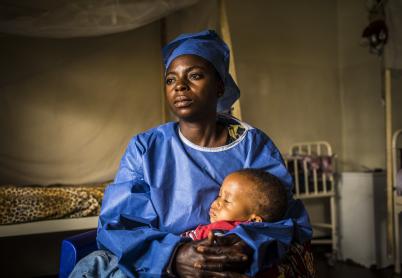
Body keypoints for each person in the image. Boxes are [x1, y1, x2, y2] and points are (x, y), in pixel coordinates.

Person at [70, 29, 312, 278]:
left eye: (195, 76)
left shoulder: (253, 146)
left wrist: (237, 248)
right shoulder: (146, 147)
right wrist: (173, 257)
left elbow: (281, 218)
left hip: (228, 259)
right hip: (160, 261)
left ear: (220, 85)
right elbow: (119, 224)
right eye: (170, 80)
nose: (180, 87)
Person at [182, 168, 288, 241]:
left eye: (227, 201)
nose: (217, 203)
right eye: (219, 196)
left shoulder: (225, 234)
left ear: (254, 220)